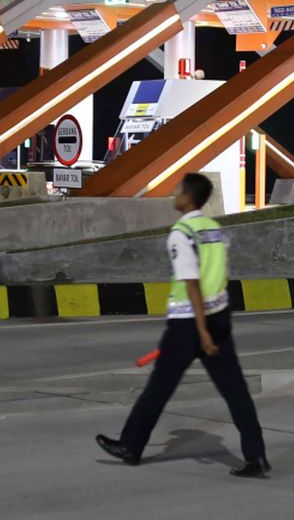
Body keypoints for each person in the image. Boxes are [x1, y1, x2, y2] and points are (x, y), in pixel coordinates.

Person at [96, 172, 270, 477]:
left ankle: (130, 446)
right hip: (219, 317)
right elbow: (220, 274)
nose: (174, 195)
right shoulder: (213, 229)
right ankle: (256, 456)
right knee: (235, 390)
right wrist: (215, 323)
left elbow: (191, 281)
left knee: (158, 388)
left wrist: (201, 330)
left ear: (188, 197)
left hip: (190, 324)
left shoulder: (182, 233)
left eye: (178, 191)